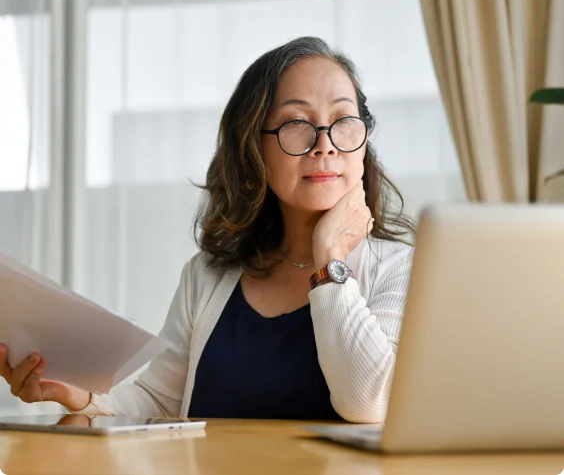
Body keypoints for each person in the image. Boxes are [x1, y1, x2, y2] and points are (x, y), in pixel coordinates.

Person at [0, 37, 415, 423]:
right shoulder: (207, 276)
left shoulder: (401, 268)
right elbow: (159, 403)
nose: (325, 143)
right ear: (255, 148)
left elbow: (368, 402)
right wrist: (83, 396)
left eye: (343, 120)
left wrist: (330, 259)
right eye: (296, 124)